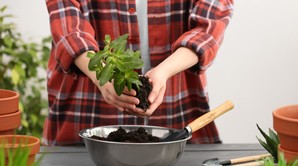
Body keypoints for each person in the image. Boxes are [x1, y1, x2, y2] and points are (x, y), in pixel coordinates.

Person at [43, 0, 234, 145]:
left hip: (176, 109)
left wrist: (164, 71)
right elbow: (68, 28)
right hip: (84, 110)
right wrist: (102, 74)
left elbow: (209, 26)